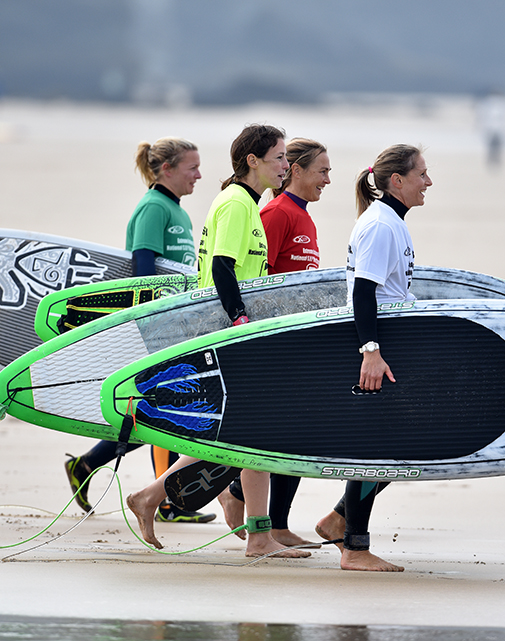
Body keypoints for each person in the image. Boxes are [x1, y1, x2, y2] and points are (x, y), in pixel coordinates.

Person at [125, 124, 310, 559]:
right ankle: (257, 534)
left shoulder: (246, 203)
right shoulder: (235, 204)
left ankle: (154, 496)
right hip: (231, 334)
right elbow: (223, 268)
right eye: (280, 158)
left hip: (237, 332)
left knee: (245, 434)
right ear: (253, 161)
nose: (286, 166)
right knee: (255, 433)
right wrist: (240, 320)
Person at [63, 137, 214, 523]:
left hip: (176, 324)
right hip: (156, 327)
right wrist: (158, 321)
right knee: (170, 411)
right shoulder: (152, 208)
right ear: (167, 169)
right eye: (192, 167)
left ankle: (88, 464)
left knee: (159, 412)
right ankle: (166, 502)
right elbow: (143, 272)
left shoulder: (174, 210)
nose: (199, 174)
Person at [314, 144, 432, 572]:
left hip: (386, 342)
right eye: (422, 174)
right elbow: (363, 293)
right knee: (378, 444)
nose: (428, 182)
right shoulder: (381, 226)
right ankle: (355, 549)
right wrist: (371, 352)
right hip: (377, 345)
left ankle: (339, 519)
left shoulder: (391, 223)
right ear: (397, 180)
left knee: (399, 444)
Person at [219, 138, 329, 548]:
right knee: (281, 433)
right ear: (295, 170)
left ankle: (266, 518)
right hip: (268, 338)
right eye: (322, 170)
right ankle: (245, 507)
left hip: (293, 340)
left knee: (296, 432)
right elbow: (250, 275)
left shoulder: (303, 216)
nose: (328, 179)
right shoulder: (275, 212)